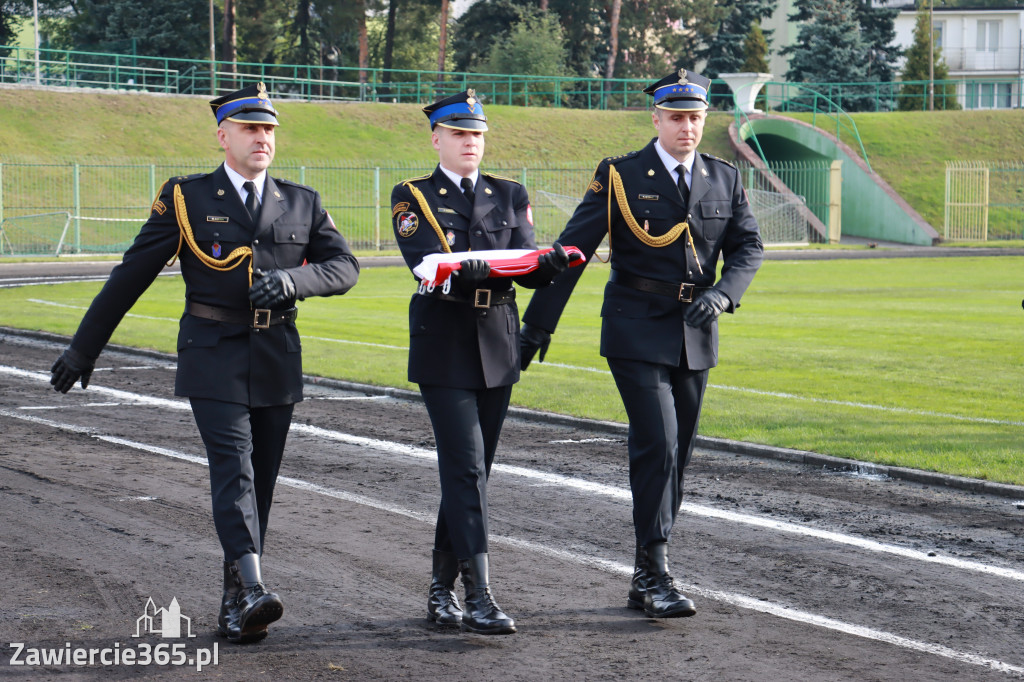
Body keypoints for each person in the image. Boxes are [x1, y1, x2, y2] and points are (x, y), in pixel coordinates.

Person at [49, 83, 360, 643]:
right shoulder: (187, 197)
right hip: (212, 352)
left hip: (276, 355)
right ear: (223, 135)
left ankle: (234, 600)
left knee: (259, 482)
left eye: (269, 129)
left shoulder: (302, 201)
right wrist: (83, 347)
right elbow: (131, 274)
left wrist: (294, 280)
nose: (262, 138)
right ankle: (256, 585)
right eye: (250, 128)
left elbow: (344, 267)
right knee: (234, 469)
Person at [519, 69, 763, 618]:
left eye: (695, 118)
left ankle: (645, 571)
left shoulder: (725, 177)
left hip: (696, 332)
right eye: (676, 117)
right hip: (635, 326)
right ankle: (657, 571)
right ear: (656, 119)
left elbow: (748, 248)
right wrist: (537, 326)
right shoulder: (622, 175)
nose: (687, 128)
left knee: (679, 455)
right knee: (660, 441)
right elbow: (574, 250)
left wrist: (724, 296)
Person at [391, 90, 571, 635]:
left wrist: (548, 267)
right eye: (459, 133)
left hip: (497, 341)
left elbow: (527, 259)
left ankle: (440, 590)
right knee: (467, 467)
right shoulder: (414, 195)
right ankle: (480, 595)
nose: (471, 142)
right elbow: (424, 262)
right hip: (444, 341)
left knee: (473, 472)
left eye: (477, 134)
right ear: (437, 138)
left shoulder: (510, 193)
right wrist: (500, 268)